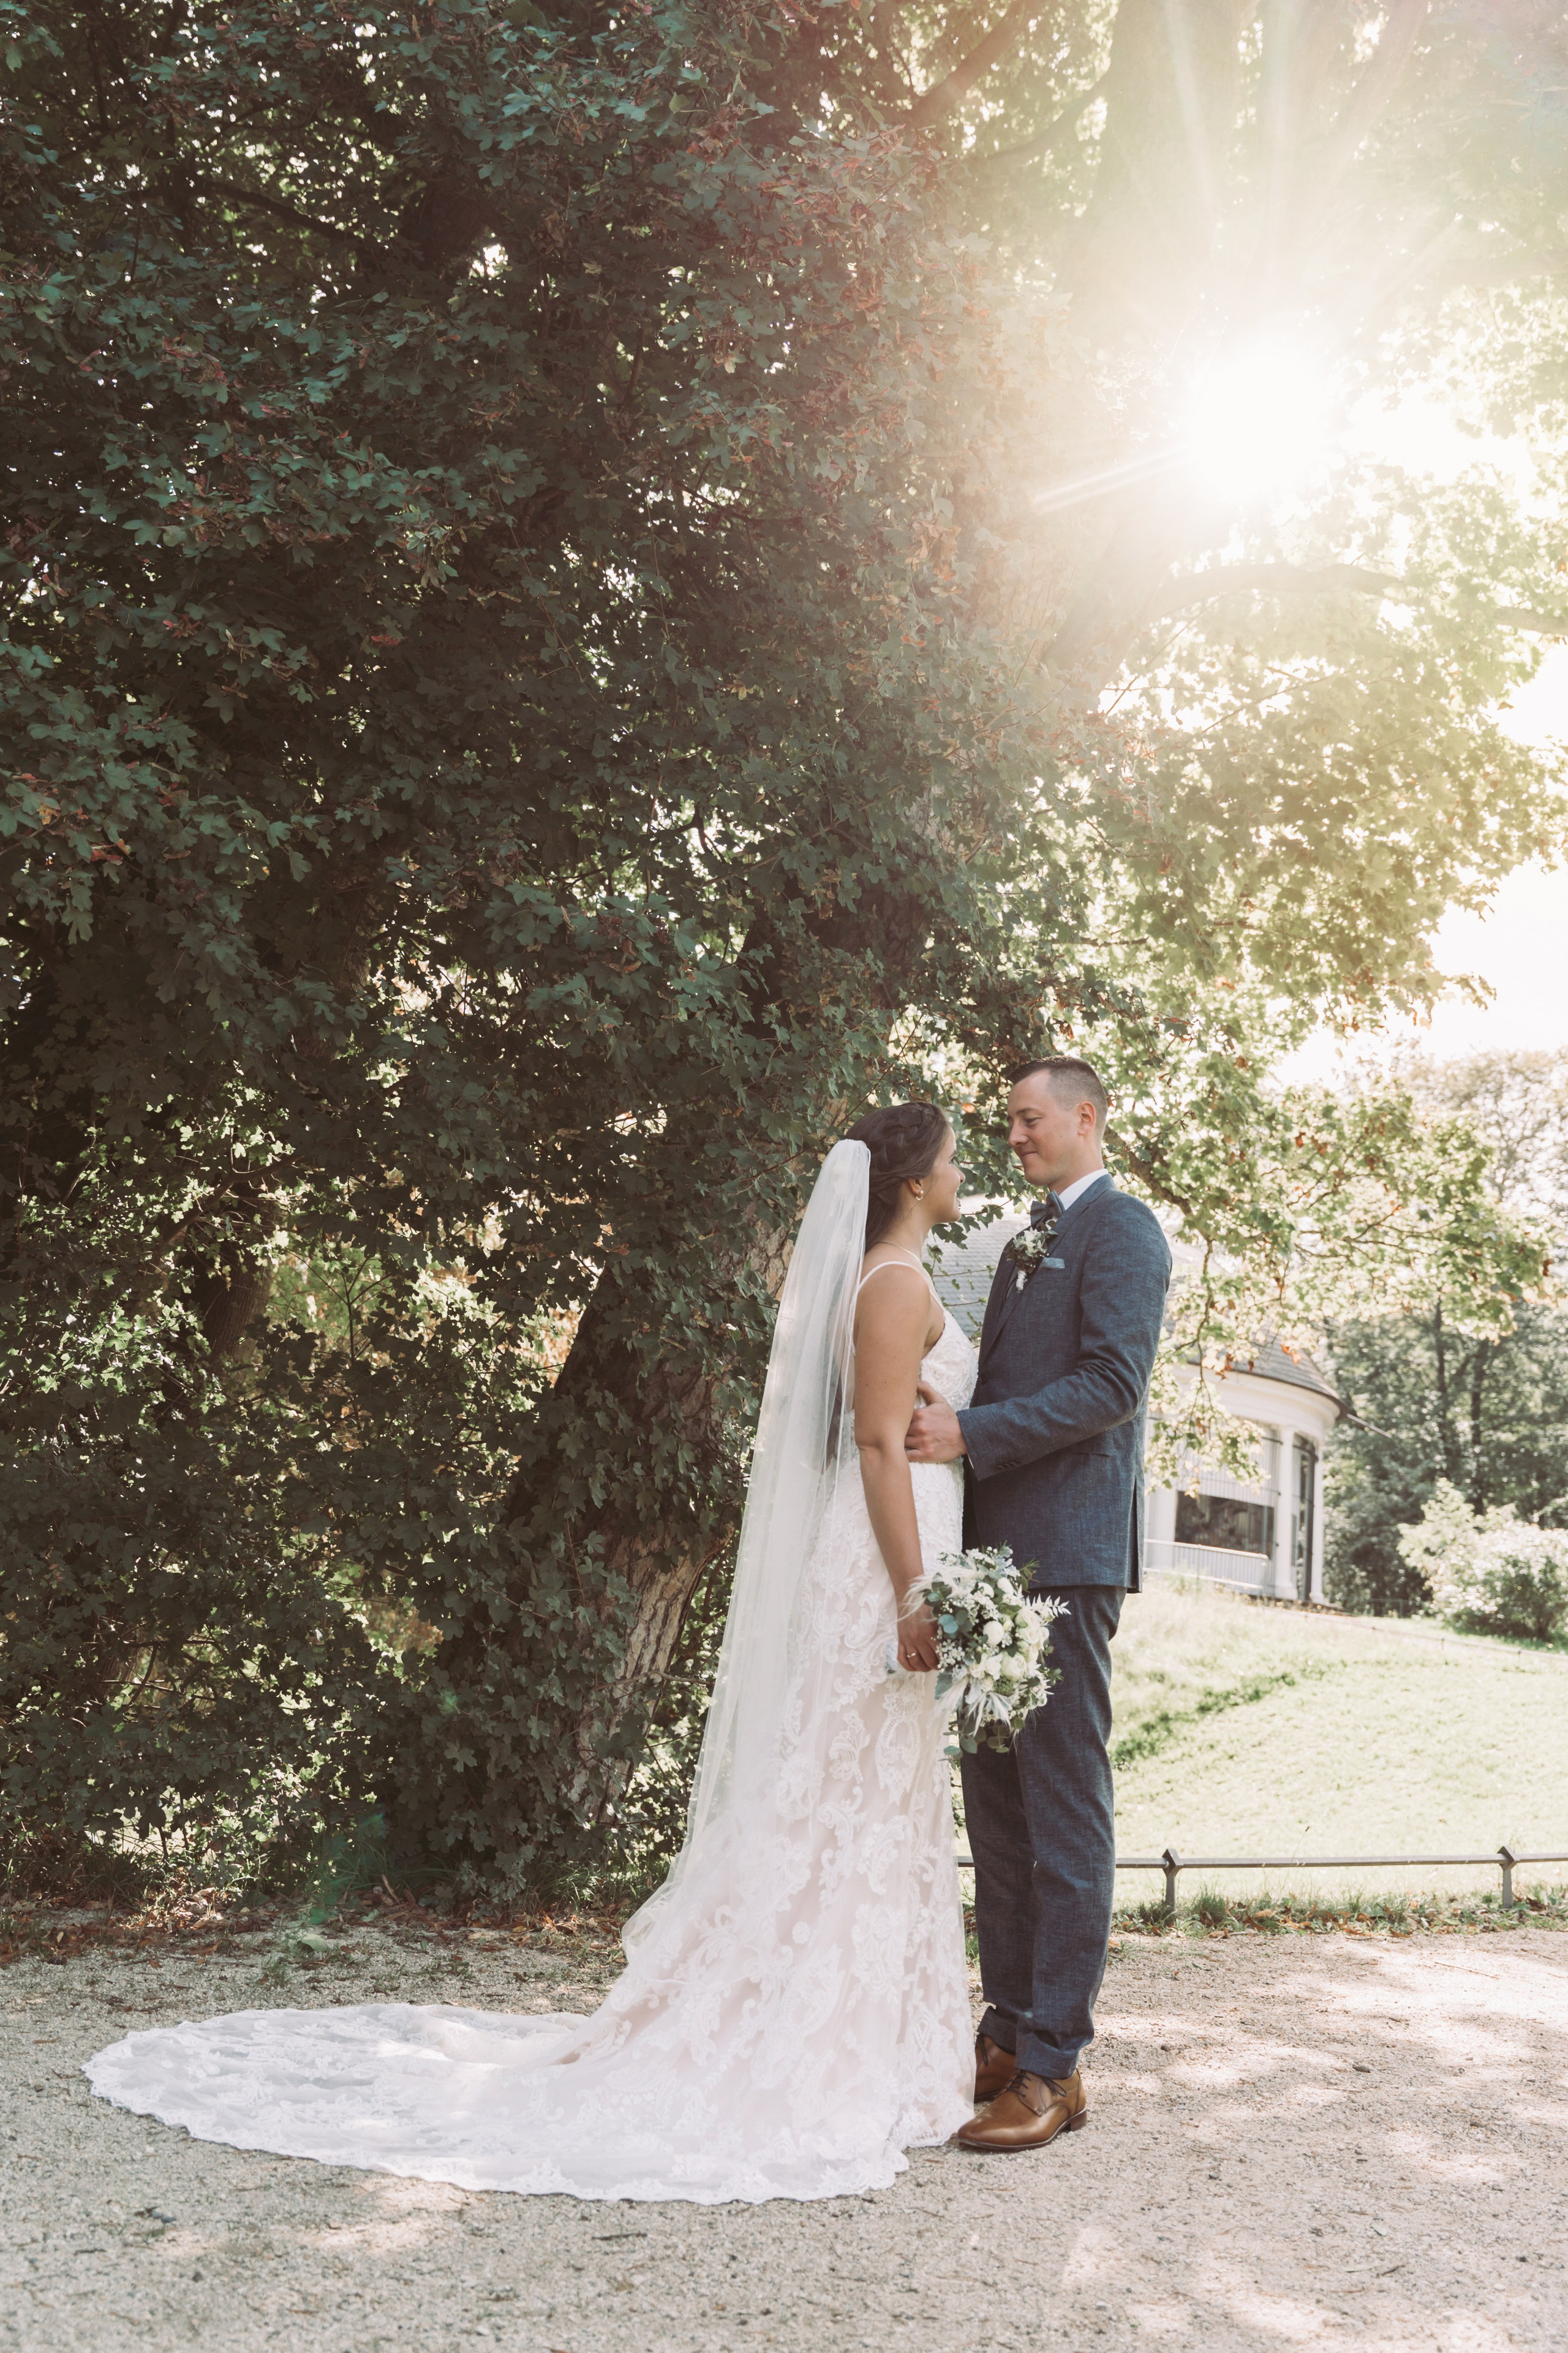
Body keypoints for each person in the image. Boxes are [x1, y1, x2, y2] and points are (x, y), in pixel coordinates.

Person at [86, 1107, 980, 2205]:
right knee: (847, 1787)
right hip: (882, 1566)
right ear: (909, 1182)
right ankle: (808, 2039)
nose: (958, 1169)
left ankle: (854, 2028)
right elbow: (882, 1442)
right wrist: (912, 1590)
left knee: (865, 1791)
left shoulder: (894, 1277)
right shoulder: (892, 1285)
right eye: (948, 1156)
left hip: (889, 1552)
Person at [905, 1056, 1170, 2153]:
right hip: (991, 1563)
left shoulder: (1124, 1230)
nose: (1013, 1135)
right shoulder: (1023, 1239)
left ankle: (1057, 2064)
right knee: (999, 1814)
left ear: (1086, 1117)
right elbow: (1011, 1383)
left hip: (1066, 1558)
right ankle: (1007, 2030)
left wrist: (974, 1432)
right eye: (1008, 1122)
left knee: (1063, 1810)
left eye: (1028, 1118)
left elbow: (1114, 1384)